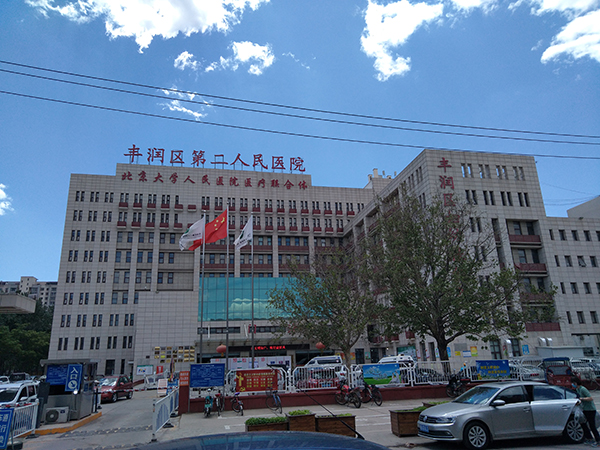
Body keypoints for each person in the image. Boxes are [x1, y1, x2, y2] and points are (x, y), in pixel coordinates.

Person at [572, 376, 600, 447]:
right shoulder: (577, 389)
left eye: (573, 383)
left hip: (590, 409)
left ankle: (598, 440)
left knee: (592, 426)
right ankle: (589, 438)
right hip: (584, 409)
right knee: (583, 424)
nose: (572, 384)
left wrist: (582, 399)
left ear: (576, 383)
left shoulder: (583, 389)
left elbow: (590, 398)